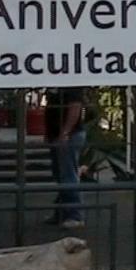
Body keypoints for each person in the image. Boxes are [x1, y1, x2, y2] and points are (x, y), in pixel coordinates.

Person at [44, 87, 90, 230]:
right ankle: (62, 212)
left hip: (69, 135)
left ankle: (74, 215)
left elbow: (75, 108)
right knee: (61, 174)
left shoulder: (71, 86)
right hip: (58, 134)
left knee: (68, 174)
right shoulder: (54, 85)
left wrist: (65, 132)